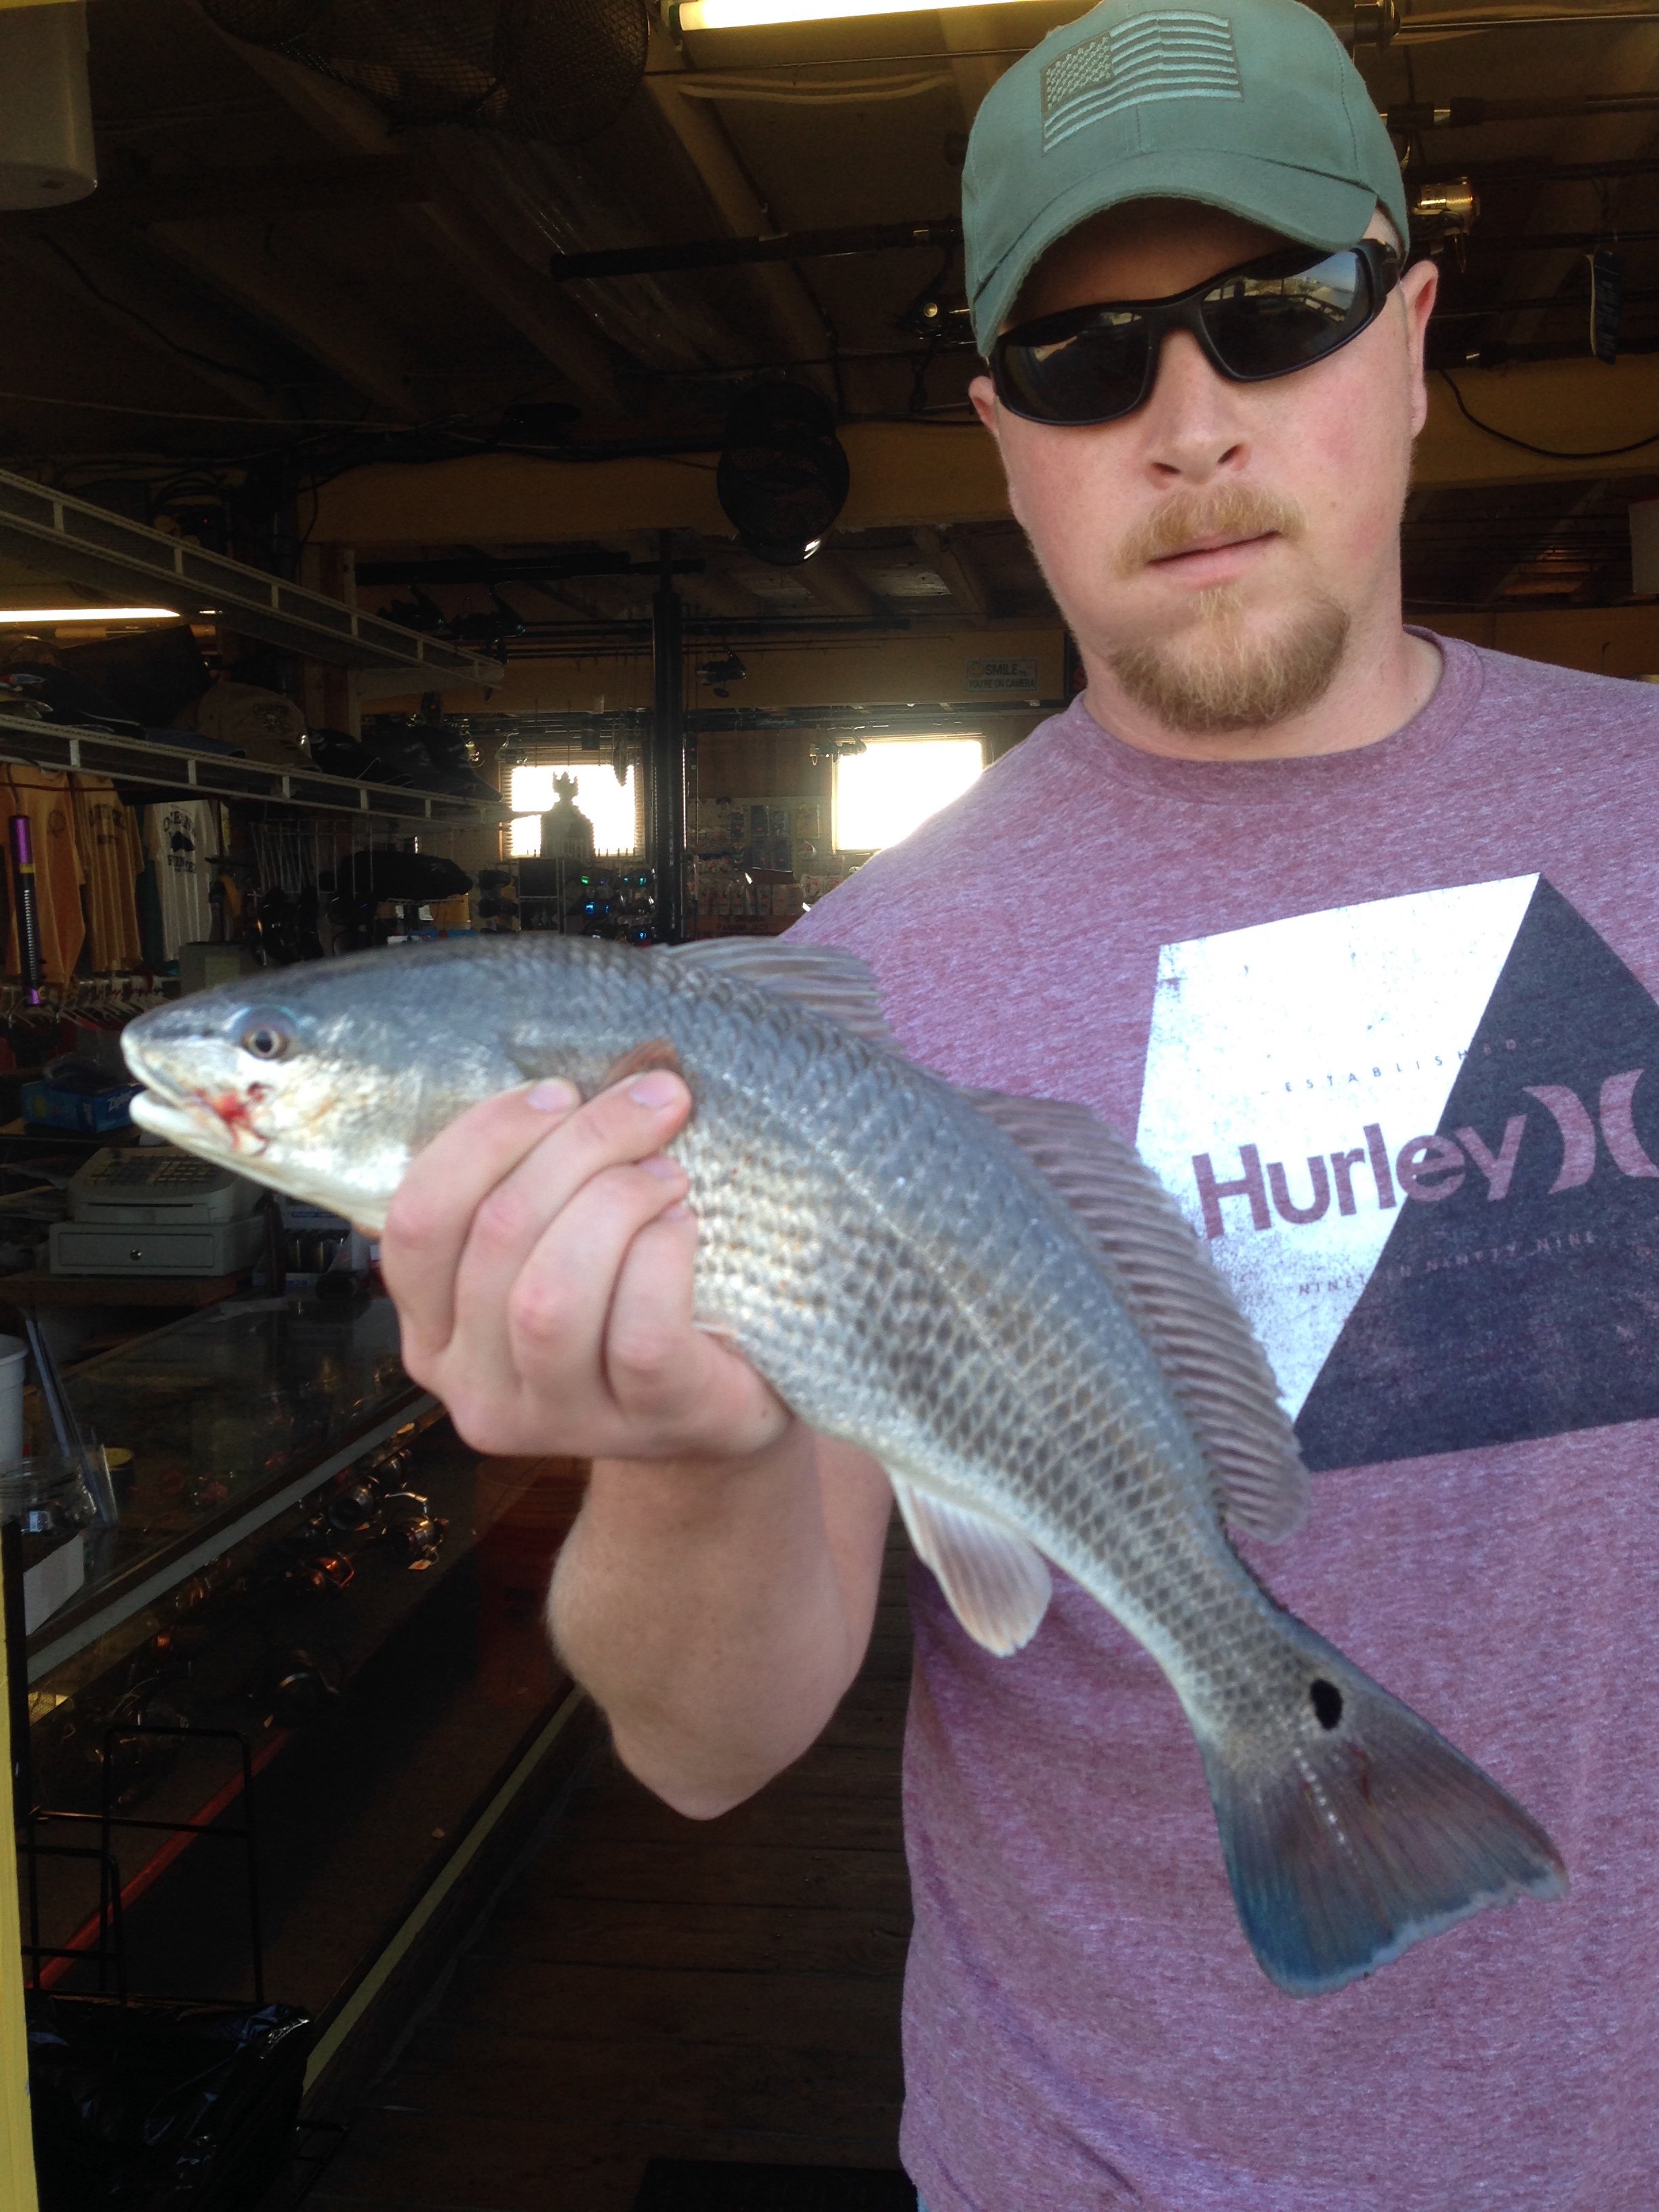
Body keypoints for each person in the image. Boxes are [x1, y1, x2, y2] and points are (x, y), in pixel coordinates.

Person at [378, 1, 1659, 2203]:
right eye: (1085, 361)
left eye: (1279, 312)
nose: (1190, 422)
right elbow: (703, 1752)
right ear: (1000, 436)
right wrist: (684, 1456)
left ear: (1413, 337)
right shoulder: (844, 1004)